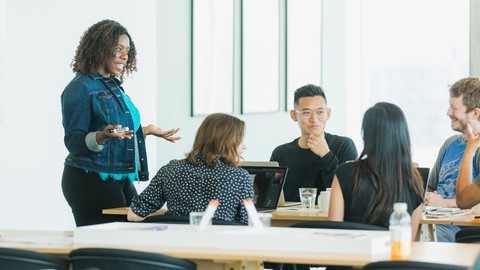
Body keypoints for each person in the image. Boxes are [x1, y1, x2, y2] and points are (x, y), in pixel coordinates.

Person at [61, 19, 181, 227]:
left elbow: (117, 132)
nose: (125, 56)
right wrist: (101, 136)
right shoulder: (79, 88)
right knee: (109, 245)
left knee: (133, 230)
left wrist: (144, 131)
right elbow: (73, 141)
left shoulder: (112, 86)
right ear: (100, 49)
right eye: (118, 49)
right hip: (90, 178)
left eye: (127, 50)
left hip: (118, 176)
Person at [127, 113, 254, 225]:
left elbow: (133, 215)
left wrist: (173, 216)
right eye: (240, 140)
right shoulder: (239, 176)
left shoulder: (170, 169)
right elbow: (248, 223)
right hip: (218, 246)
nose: (244, 146)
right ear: (227, 141)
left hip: (174, 245)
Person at [329, 102, 424, 238]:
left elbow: (333, 233)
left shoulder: (345, 173)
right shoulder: (414, 182)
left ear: (366, 135)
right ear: (402, 136)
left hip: (350, 257)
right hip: (390, 258)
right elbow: (408, 243)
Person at [270, 84, 357, 201]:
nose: (314, 119)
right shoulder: (280, 153)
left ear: (328, 113)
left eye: (320, 112)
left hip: (327, 218)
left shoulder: (344, 146)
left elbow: (348, 193)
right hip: (289, 218)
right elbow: (271, 196)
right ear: (294, 115)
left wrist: (326, 155)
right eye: (306, 113)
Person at [425, 77, 480, 242]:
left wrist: (445, 204)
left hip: (461, 230)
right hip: (434, 222)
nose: (448, 113)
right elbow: (430, 187)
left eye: (454, 108)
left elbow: (475, 203)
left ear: (475, 113)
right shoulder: (449, 144)